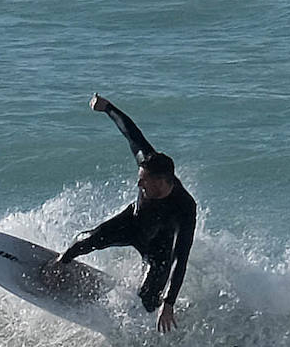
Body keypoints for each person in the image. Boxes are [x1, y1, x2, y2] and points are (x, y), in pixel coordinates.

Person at [57, 94, 197, 333]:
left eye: (143, 182)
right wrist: (107, 108)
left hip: (159, 248)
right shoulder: (148, 160)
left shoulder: (185, 207)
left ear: (162, 182)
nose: (138, 185)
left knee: (148, 300)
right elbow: (131, 133)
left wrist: (169, 303)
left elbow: (180, 259)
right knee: (86, 240)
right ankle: (59, 264)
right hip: (132, 223)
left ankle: (144, 326)